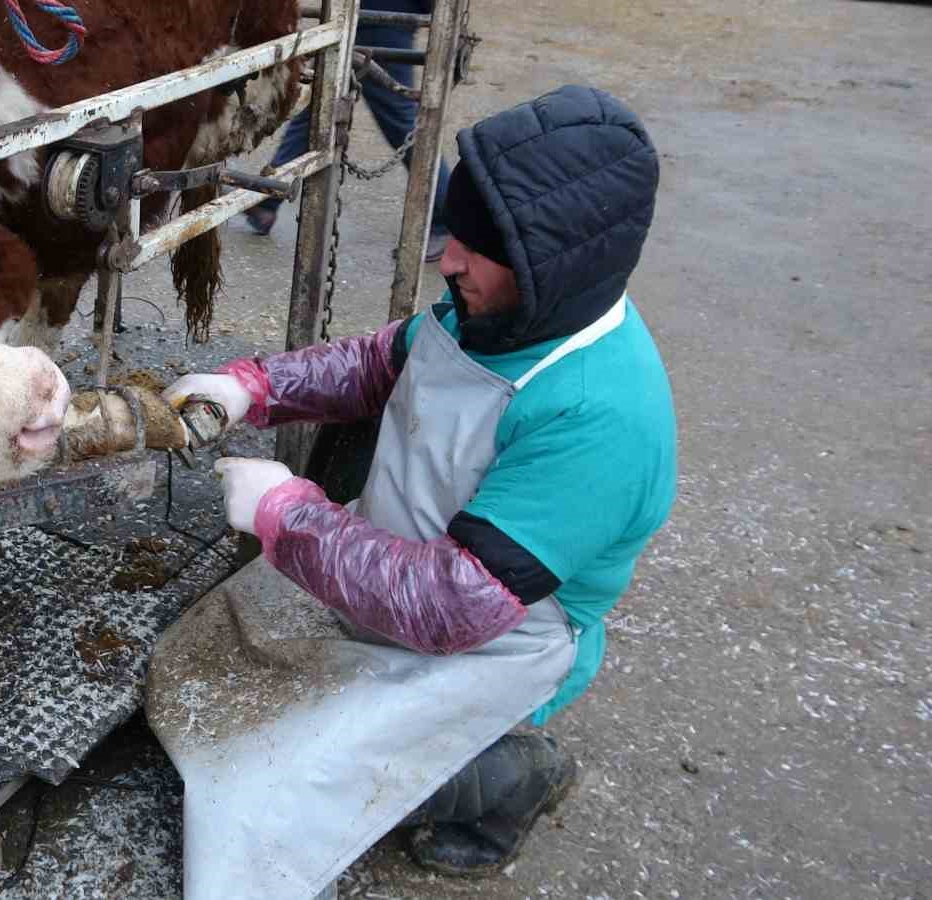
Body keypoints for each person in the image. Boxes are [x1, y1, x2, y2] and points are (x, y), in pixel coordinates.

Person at [162, 85, 675, 882]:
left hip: (486, 640)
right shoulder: (505, 310)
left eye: (481, 246)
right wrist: (252, 389)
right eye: (457, 234)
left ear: (558, 264)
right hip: (405, 568)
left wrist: (288, 515)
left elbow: (452, 605)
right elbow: (380, 363)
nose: (450, 259)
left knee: (256, 801)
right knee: (198, 672)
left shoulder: (598, 416)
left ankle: (509, 775)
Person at [244, 0, 453, 261]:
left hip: (383, 10)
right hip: (357, 11)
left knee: (399, 119)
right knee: (321, 106)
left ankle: (447, 218)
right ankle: (268, 200)